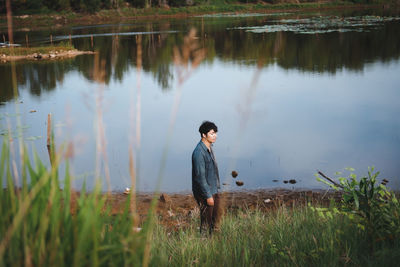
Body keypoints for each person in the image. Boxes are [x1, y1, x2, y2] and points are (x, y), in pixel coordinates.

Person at [192, 121, 221, 235]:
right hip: (205, 192)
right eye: (212, 133)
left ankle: (213, 243)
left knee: (215, 219)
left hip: (213, 189)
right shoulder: (199, 152)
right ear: (204, 135)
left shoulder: (209, 147)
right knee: (205, 221)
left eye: (215, 133)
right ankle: (203, 243)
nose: (215, 136)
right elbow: (200, 177)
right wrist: (208, 196)